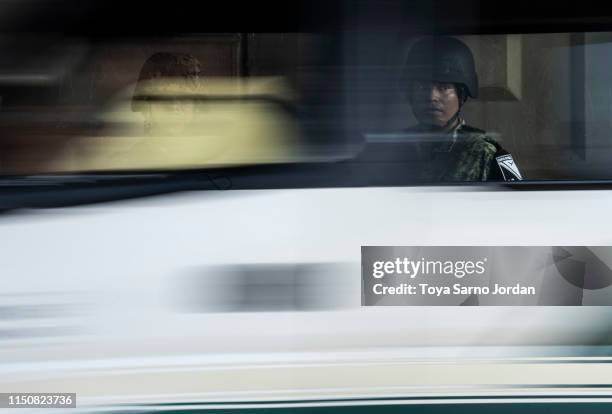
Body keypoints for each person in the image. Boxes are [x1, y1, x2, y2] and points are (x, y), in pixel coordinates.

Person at [403, 36, 523, 182]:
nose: (431, 97)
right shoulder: (390, 148)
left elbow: (515, 199)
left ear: (461, 95)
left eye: (444, 88)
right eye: (421, 87)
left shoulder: (486, 154)